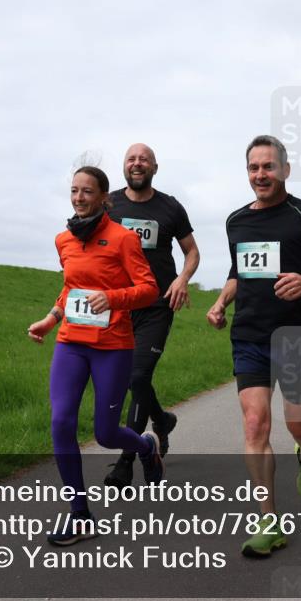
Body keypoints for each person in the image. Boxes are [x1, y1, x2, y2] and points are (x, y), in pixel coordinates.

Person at [206, 135, 301, 557]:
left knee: (296, 424)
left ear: (285, 169)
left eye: (268, 166)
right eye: (253, 168)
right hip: (249, 335)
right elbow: (239, 271)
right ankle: (268, 521)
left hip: (296, 335)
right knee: (255, 426)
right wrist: (219, 302)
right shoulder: (235, 221)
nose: (260, 175)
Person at [27, 165, 164, 546]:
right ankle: (80, 513)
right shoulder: (64, 240)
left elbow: (149, 289)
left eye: (87, 192)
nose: (79, 198)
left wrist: (114, 297)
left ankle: (146, 446)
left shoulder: (123, 239)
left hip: (113, 346)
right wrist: (50, 319)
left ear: (105, 198)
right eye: (74, 190)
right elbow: (70, 288)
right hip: (72, 342)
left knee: (105, 434)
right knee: (61, 422)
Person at [103, 143, 200, 488]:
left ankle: (125, 463)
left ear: (155, 167)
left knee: (138, 376)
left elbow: (191, 251)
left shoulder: (170, 207)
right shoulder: (109, 204)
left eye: (144, 159)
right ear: (124, 166)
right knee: (130, 379)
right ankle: (161, 418)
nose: (137, 163)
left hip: (157, 305)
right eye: (131, 158)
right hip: (118, 307)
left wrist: (182, 279)